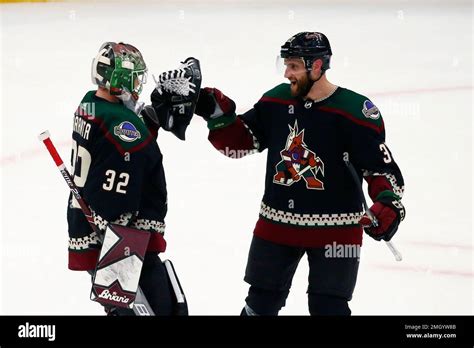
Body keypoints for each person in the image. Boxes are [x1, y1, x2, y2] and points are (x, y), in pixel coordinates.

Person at [194, 32, 405, 315]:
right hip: (277, 224)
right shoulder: (276, 101)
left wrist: (387, 202)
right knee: (260, 303)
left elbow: (381, 170)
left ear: (317, 66)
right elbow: (242, 143)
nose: (286, 73)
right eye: (286, 65)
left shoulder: (355, 111)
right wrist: (216, 113)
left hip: (337, 231)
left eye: (293, 66)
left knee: (328, 307)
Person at [67, 42, 199, 315]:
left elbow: (119, 143)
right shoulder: (122, 126)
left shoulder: (90, 103)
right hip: (121, 238)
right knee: (157, 310)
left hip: (94, 226)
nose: (138, 83)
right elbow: (122, 178)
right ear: (119, 80)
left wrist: (148, 119)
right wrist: (116, 235)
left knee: (129, 309)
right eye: (135, 77)